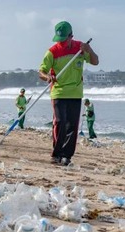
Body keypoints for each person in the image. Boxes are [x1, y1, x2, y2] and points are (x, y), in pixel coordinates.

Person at [38, 21, 99, 166]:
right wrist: (48, 77)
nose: (61, 43)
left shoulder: (80, 48)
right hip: (58, 91)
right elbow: (41, 71)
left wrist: (89, 50)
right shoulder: (52, 51)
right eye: (59, 40)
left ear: (71, 36)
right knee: (60, 122)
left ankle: (67, 156)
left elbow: (96, 62)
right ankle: (56, 153)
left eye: (64, 39)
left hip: (75, 93)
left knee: (72, 125)